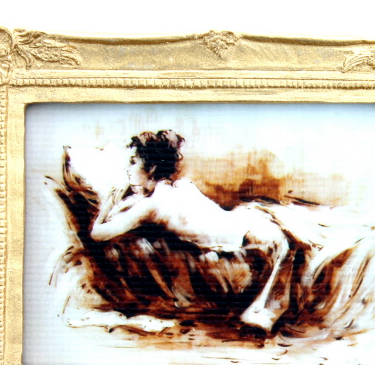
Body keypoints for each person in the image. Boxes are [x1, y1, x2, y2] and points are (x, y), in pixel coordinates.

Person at [90, 130, 293, 333]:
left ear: (151, 167)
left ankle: (260, 315)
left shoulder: (150, 205)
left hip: (251, 235)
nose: (127, 168)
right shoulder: (181, 187)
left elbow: (97, 234)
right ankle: (261, 314)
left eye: (133, 162)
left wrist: (107, 205)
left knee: (283, 254)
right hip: (252, 223)